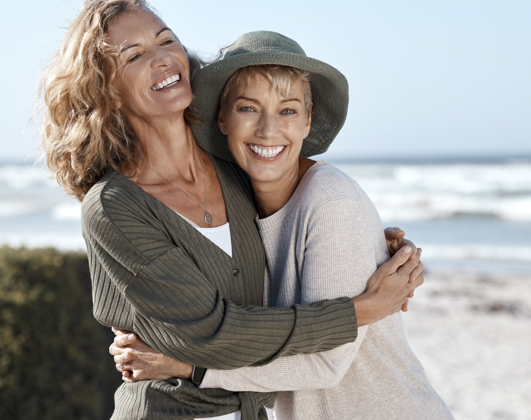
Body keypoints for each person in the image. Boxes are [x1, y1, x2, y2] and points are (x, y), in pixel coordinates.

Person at [40, 0, 423, 420]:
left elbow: (294, 228)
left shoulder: (235, 174)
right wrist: (358, 311)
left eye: (166, 41)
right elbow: (212, 333)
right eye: (135, 55)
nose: (162, 59)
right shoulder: (113, 206)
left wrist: (373, 245)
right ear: (105, 89)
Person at [109, 32, 452, 419]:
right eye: (248, 109)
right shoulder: (235, 204)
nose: (268, 130)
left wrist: (190, 367)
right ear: (223, 120)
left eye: (288, 111)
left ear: (308, 121)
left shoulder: (330, 201)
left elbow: (324, 365)